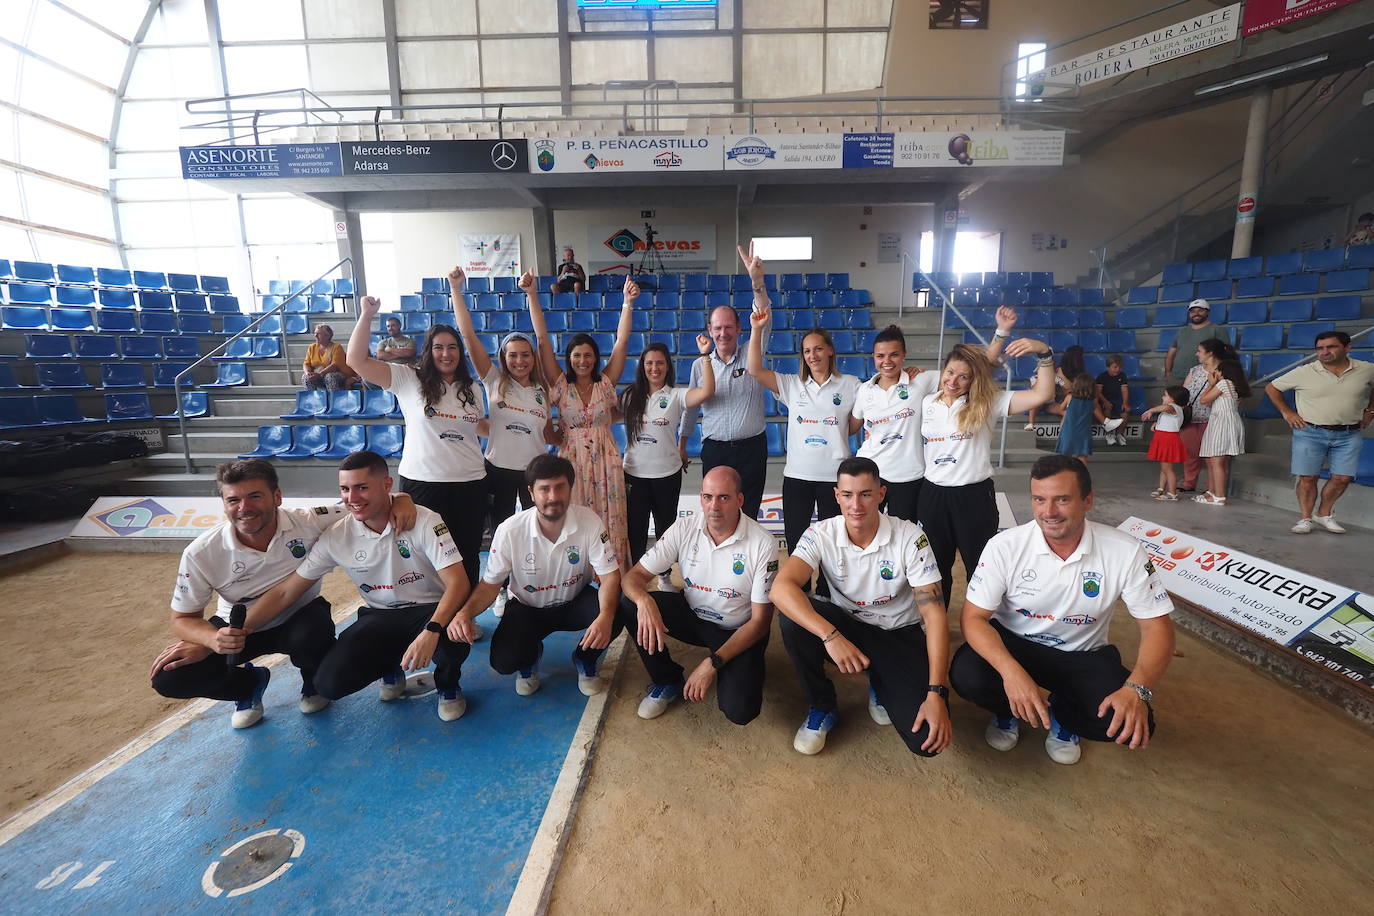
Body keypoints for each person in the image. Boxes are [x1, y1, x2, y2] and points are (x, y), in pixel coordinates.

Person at [148, 459, 417, 728]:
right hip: (238, 627)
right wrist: (210, 639)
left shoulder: (309, 520)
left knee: (314, 633)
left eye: (254, 496)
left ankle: (312, 680)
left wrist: (402, 499)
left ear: (277, 497)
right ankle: (247, 686)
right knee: (169, 677)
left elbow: (365, 502)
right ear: (224, 503)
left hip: (299, 616)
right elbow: (182, 618)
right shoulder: (201, 552)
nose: (244, 508)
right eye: (233, 500)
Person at [951, 455, 1176, 766]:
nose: (1049, 512)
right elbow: (973, 619)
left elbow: (1157, 627)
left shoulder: (1125, 550)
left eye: (1062, 500)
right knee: (967, 674)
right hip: (1016, 644)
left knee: (1128, 722)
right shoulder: (1005, 545)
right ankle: (1009, 708)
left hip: (1083, 653)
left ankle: (1062, 714)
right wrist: (1011, 672)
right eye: (1039, 499)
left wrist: (1137, 689)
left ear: (1088, 501)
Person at [242, 451, 472, 723]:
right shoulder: (336, 535)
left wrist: (432, 630)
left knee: (451, 639)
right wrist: (238, 631)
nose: (352, 498)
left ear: (387, 485)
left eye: (362, 487)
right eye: (345, 489)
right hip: (380, 614)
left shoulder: (424, 520)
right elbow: (287, 591)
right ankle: (391, 666)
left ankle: (448, 684)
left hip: (429, 610)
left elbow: (458, 582)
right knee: (329, 684)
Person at [770, 457, 951, 757]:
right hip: (848, 628)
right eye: (848, 495)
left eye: (866, 494)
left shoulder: (910, 537)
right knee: (793, 619)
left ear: (881, 494)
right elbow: (781, 588)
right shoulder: (820, 534)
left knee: (926, 741)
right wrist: (831, 636)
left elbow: (935, 617)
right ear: (836, 496)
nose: (856, 505)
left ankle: (878, 680)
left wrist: (936, 693)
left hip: (899, 633)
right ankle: (822, 705)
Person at [347, 296, 487, 602]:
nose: (446, 353)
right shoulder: (408, 378)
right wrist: (367, 315)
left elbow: (477, 428)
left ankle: (463, 614)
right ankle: (429, 614)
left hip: (471, 482)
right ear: (429, 350)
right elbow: (356, 361)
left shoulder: (472, 388)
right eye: (438, 347)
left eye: (452, 347)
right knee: (422, 554)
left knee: (466, 553)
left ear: (459, 353)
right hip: (424, 483)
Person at [449, 454, 623, 697]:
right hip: (527, 608)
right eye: (545, 489)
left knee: (619, 610)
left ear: (570, 488)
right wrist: (465, 613)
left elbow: (610, 576)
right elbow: (490, 584)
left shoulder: (590, 521)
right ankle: (529, 658)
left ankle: (585, 658)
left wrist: (605, 616)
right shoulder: (509, 530)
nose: (553, 497)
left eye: (560, 487)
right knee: (503, 662)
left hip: (573, 601)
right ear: (531, 492)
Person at [617, 466, 776, 724]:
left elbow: (761, 623)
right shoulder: (684, 528)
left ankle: (738, 666)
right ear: (700, 498)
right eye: (708, 497)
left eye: (724, 497)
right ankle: (667, 680)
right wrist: (644, 600)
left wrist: (711, 664)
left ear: (740, 500)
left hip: (738, 629)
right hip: (693, 615)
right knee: (630, 603)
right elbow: (632, 578)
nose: (714, 506)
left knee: (741, 711)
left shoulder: (763, 543)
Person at [918, 337, 1056, 604]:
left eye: (963, 377)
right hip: (932, 496)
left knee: (979, 569)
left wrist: (1044, 354)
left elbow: (1043, 394)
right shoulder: (926, 403)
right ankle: (935, 631)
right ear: (942, 371)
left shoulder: (987, 402)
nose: (953, 381)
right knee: (934, 570)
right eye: (950, 373)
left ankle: (979, 630)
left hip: (973, 497)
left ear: (973, 380)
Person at [448, 265, 553, 615]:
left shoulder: (543, 390)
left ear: (532, 358)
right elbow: (468, 335)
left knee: (538, 530)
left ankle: (535, 581)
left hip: (534, 473)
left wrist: (532, 295)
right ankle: (501, 589)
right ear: (504, 358)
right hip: (498, 471)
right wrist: (456, 289)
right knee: (501, 535)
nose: (520, 360)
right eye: (513, 355)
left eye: (525, 355)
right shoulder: (493, 380)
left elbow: (543, 339)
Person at [853, 312, 1017, 521]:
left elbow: (976, 365)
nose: (887, 361)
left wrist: (1001, 332)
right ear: (873, 357)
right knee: (866, 529)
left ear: (904, 355)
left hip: (909, 476)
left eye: (894, 355)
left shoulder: (922, 380)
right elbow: (854, 424)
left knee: (904, 537)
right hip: (871, 473)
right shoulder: (864, 390)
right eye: (880, 356)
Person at [527, 270, 636, 568]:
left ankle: (611, 577)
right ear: (570, 358)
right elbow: (542, 341)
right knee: (573, 517)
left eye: (588, 355)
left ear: (595, 358)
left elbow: (622, 342)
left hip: (607, 459)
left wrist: (627, 303)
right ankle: (574, 575)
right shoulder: (561, 385)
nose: (583, 360)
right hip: (571, 460)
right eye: (577, 355)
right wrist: (532, 296)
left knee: (609, 519)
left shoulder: (605, 383)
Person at [746, 311, 859, 594]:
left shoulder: (852, 385)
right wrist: (756, 330)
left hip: (835, 479)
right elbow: (754, 370)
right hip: (797, 478)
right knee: (798, 542)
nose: (813, 355)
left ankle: (828, 593)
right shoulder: (791, 384)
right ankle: (802, 594)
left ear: (830, 350)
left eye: (818, 348)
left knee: (834, 541)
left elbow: (852, 427)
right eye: (807, 350)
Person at [678, 243, 774, 523]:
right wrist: (682, 444)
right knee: (718, 516)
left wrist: (757, 282)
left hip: (752, 448)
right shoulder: (700, 365)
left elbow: (764, 318)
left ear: (740, 329)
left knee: (750, 514)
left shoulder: (752, 351)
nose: (723, 333)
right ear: (709, 330)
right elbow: (691, 409)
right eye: (717, 328)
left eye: (728, 327)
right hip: (716, 449)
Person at [1266, 331, 1374, 534]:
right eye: (1320, 348)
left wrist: (1371, 410)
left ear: (1347, 348)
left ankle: (1324, 514)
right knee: (1307, 478)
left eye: (1331, 347)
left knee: (1343, 478)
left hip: (1349, 433)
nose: (1324, 352)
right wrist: (1288, 413)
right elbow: (1272, 388)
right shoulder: (1304, 371)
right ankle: (1305, 518)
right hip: (1309, 431)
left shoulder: (1367, 369)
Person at [620, 339, 714, 567]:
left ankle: (663, 576)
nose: (655, 368)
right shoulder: (629, 396)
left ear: (668, 366)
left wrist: (705, 356)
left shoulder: (676, 395)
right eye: (650, 363)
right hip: (634, 474)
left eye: (660, 363)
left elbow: (707, 391)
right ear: (642, 366)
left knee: (666, 530)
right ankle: (635, 577)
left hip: (667, 475)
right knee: (636, 531)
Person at [1193, 357, 1250, 506]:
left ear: (1223, 373)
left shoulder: (1225, 383)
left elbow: (1204, 400)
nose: (1215, 373)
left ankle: (1219, 496)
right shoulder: (1231, 385)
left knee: (1217, 461)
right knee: (1213, 460)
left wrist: (1211, 384)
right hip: (1219, 421)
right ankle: (1212, 492)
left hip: (1222, 422)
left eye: (1217, 371)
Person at [1179, 339, 1232, 493]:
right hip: (1191, 417)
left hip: (1213, 419)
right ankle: (1189, 482)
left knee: (1212, 456)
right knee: (1190, 453)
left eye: (1200, 351)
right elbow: (1184, 391)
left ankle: (1213, 489)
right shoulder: (1195, 370)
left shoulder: (1225, 370)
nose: (1197, 354)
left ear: (1210, 353)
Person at [1055, 373, 1121, 462]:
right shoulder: (1092, 402)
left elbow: (1061, 408)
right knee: (1082, 457)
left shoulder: (1069, 397)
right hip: (1084, 433)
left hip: (1069, 432)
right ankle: (1106, 422)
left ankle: (1066, 474)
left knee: (1066, 456)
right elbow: (1093, 409)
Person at [1141, 386, 1191, 500]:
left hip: (1168, 441)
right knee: (1164, 468)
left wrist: (1151, 410)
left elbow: (1166, 408)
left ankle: (1172, 493)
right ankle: (1161, 488)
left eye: (1165, 395)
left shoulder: (1175, 408)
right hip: (1163, 439)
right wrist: (1156, 425)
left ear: (1173, 399)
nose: (1163, 397)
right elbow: (1166, 420)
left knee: (1167, 469)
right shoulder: (1172, 409)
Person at [1025, 344, 1084, 430]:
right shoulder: (1035, 378)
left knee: (1067, 412)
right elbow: (1034, 390)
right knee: (1034, 403)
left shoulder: (1055, 378)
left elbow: (1068, 387)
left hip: (1050, 404)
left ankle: (1061, 432)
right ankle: (1031, 424)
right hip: (1039, 402)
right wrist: (1041, 379)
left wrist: (1059, 377)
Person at [1164, 298, 1225, 380]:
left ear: (1207, 312)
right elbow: (1171, 354)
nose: (1196, 314)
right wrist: (1168, 372)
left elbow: (1224, 354)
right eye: (1192, 311)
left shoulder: (1217, 330)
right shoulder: (1182, 331)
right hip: (1177, 376)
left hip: (1203, 377)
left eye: (1200, 310)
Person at [302, 324, 356, 390]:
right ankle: (312, 399)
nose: (315, 335)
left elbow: (334, 366)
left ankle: (334, 398)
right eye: (315, 333)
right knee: (306, 377)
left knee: (330, 377)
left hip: (339, 374)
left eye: (318, 334)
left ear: (327, 336)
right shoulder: (312, 347)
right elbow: (306, 363)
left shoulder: (337, 347)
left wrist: (319, 374)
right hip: (320, 374)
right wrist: (308, 373)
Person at [1095, 354, 1130, 447]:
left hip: (1117, 400)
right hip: (1105, 400)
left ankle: (1119, 434)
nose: (1118, 369)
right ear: (1108, 367)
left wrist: (1125, 403)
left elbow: (1124, 390)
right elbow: (1098, 392)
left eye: (1120, 367)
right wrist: (1105, 401)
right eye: (1115, 367)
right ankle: (1109, 434)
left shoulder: (1122, 376)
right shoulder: (1102, 376)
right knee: (1107, 409)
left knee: (1125, 412)